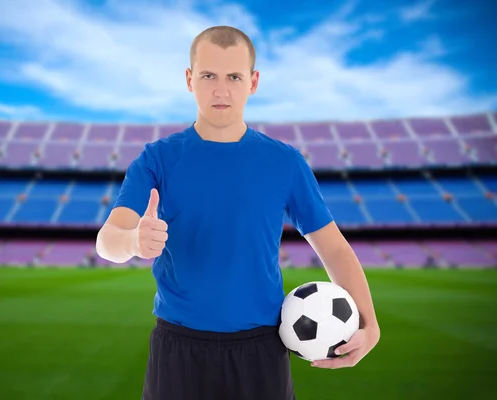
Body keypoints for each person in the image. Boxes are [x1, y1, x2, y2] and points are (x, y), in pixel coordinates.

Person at [96, 25, 380, 400]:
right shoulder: (157, 159)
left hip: (260, 350)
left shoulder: (285, 162)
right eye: (208, 75)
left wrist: (369, 323)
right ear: (189, 79)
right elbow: (107, 240)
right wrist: (132, 240)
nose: (221, 89)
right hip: (179, 348)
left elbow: (334, 249)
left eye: (234, 76)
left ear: (253, 82)